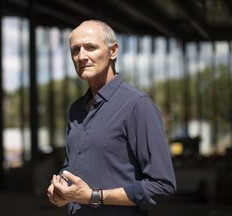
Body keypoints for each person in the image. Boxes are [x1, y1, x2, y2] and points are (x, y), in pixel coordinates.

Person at [47, 19, 176, 216]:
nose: (81, 56)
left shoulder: (137, 105)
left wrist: (94, 196)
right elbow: (72, 165)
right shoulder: (75, 110)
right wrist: (61, 187)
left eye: (90, 47)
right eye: (75, 50)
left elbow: (163, 184)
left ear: (113, 51)